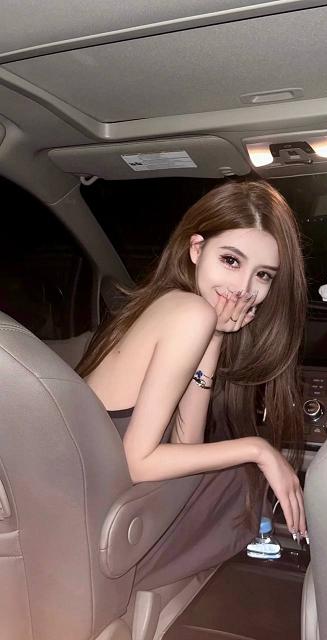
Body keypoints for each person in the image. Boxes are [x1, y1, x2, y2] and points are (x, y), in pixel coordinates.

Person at [76, 180, 308, 586]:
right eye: (231, 261)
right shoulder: (189, 313)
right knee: (244, 485)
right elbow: (137, 462)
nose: (243, 290)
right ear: (197, 249)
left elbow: (186, 445)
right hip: (102, 514)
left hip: (92, 500)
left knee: (237, 481)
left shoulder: (175, 305)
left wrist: (215, 338)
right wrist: (259, 450)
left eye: (263, 275)